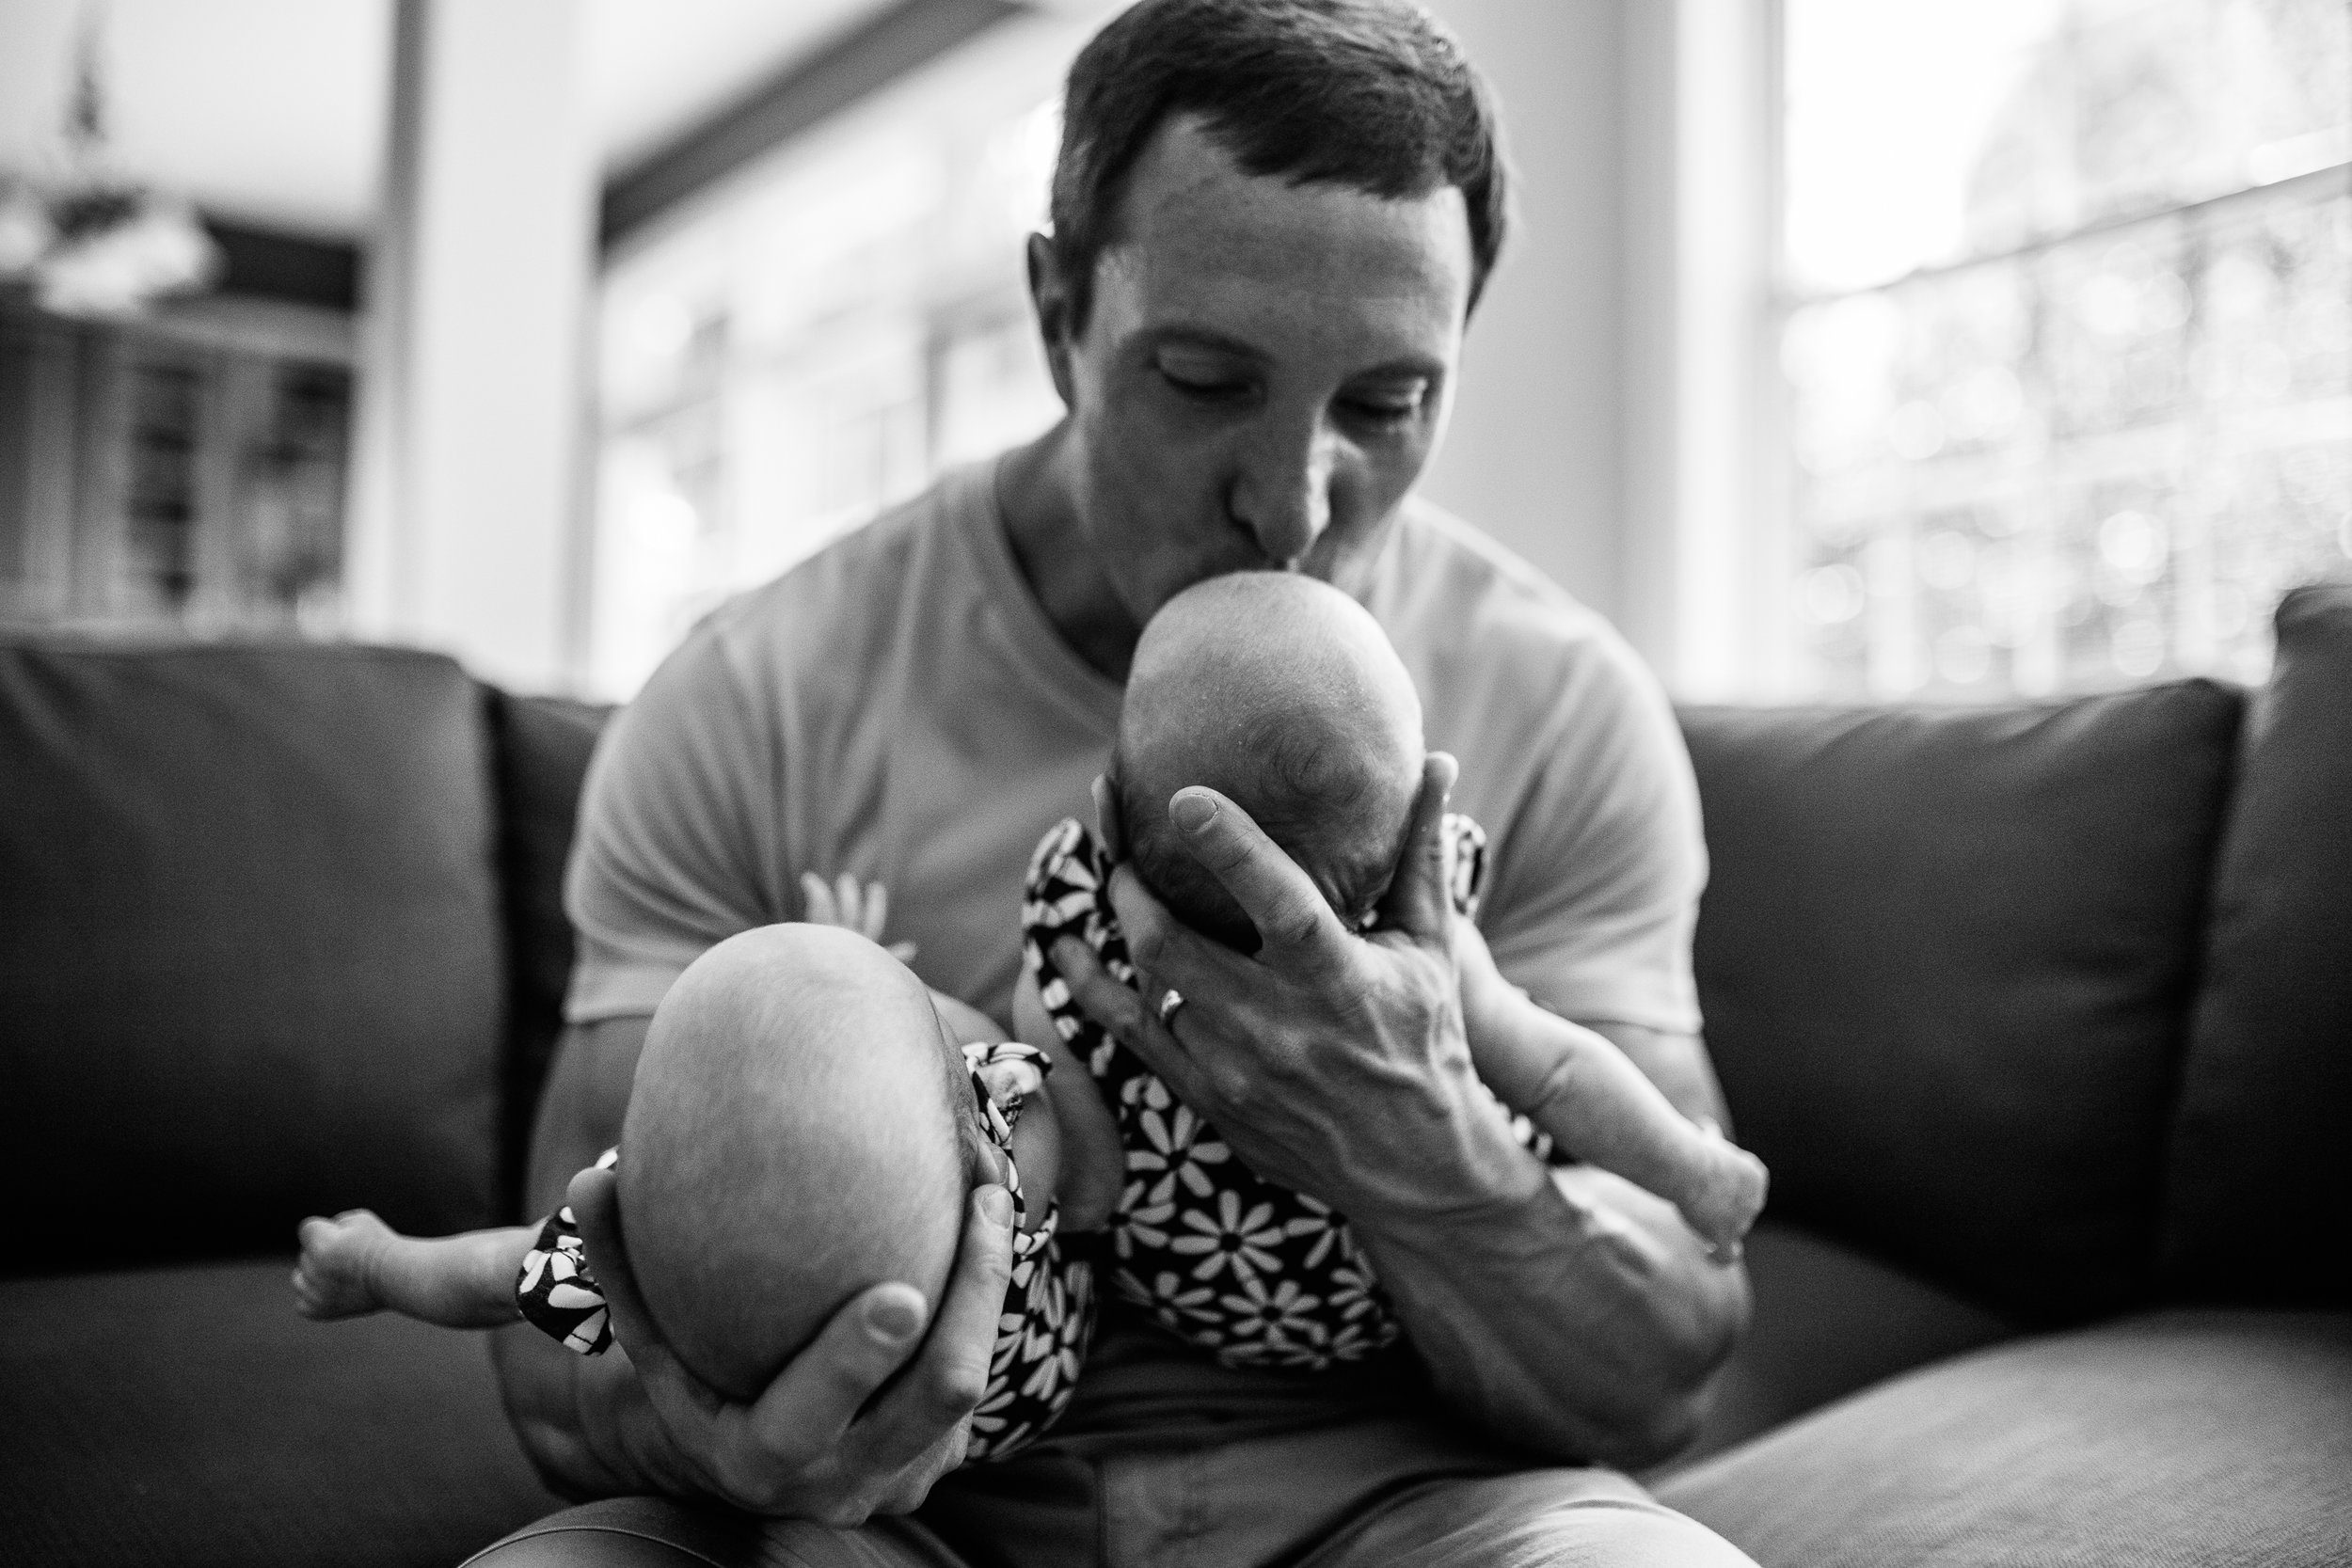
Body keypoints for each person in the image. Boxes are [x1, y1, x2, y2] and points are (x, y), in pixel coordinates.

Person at [491, 1, 1758, 1561]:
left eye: (1386, 403)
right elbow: (556, 1351)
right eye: (1205, 377)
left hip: (1428, 1506)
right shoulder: (753, 700)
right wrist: (712, 1430)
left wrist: (1430, 1148)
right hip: (903, 1524)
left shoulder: (1562, 708)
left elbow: (1671, 1358)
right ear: (1055, 315)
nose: (1294, 506)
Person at [294, 924, 1109, 1463]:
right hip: (1029, 1386)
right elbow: (1090, 1184)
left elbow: (485, 1273)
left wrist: (377, 1263)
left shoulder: (644, 1230)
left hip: (871, 1433)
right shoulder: (1014, 1147)